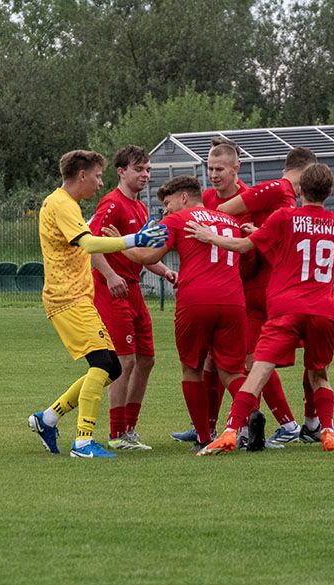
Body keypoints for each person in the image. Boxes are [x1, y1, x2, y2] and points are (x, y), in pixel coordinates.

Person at [188, 163, 334, 455]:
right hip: (323, 309)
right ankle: (326, 431)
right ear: (330, 191)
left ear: (300, 190)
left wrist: (210, 237)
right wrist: (265, 232)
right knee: (319, 374)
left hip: (287, 308)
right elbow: (301, 244)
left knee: (258, 371)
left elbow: (245, 246)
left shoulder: (284, 217)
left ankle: (230, 432)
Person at [27, 149, 167, 458]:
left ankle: (47, 418)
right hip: (67, 299)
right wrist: (134, 240)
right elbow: (89, 244)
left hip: (78, 298)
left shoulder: (67, 204)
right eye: (97, 176)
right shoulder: (62, 204)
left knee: (111, 366)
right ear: (81, 175)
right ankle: (83, 442)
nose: (99, 182)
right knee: (105, 365)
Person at [123, 175, 248, 450]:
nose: (165, 210)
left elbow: (148, 256)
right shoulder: (229, 221)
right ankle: (248, 420)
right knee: (232, 370)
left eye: (167, 203)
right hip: (233, 300)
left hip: (197, 300)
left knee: (191, 368)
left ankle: (203, 437)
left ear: (183, 197)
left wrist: (121, 244)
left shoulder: (179, 219)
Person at [88, 145, 178, 451]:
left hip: (133, 289)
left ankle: (129, 427)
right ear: (122, 172)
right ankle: (116, 434)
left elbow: (140, 253)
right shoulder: (112, 204)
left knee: (148, 359)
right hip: (112, 290)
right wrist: (110, 276)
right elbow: (92, 245)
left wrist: (166, 271)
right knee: (124, 361)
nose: (145, 175)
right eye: (139, 169)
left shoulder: (140, 208)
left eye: (148, 170)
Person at [170, 138, 250, 442]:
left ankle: (283, 424)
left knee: (247, 362)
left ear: (235, 169)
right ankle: (226, 424)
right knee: (219, 366)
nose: (214, 174)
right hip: (229, 294)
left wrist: (123, 245)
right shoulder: (209, 202)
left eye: (219, 169)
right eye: (210, 168)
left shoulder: (247, 199)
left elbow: (253, 245)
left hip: (232, 290)